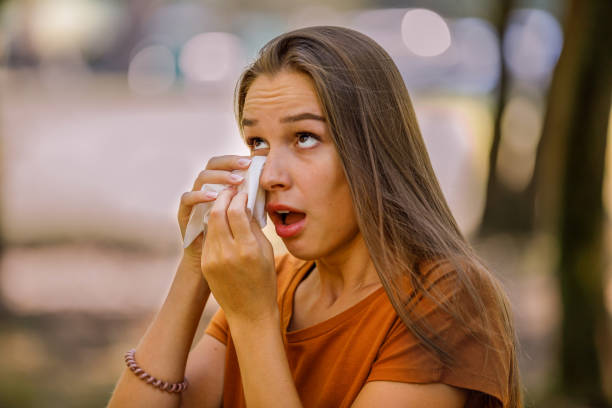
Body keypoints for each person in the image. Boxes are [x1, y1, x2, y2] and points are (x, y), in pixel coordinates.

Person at [108, 26, 522, 408]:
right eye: (257, 142)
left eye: (304, 137)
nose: (268, 175)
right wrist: (195, 261)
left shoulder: (445, 298)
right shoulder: (275, 282)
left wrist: (254, 321)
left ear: (373, 150)